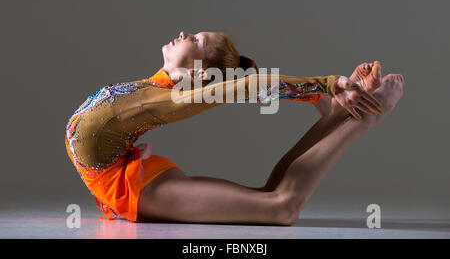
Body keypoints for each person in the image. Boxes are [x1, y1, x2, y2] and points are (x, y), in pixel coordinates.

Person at [65, 31, 403, 225]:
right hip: (129, 173)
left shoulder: (177, 97)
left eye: (195, 40)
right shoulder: (160, 87)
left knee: (280, 207)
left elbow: (248, 86)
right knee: (266, 194)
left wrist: (328, 85)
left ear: (199, 73)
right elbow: (249, 86)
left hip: (137, 190)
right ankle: (344, 113)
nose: (184, 34)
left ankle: (365, 117)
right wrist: (322, 94)